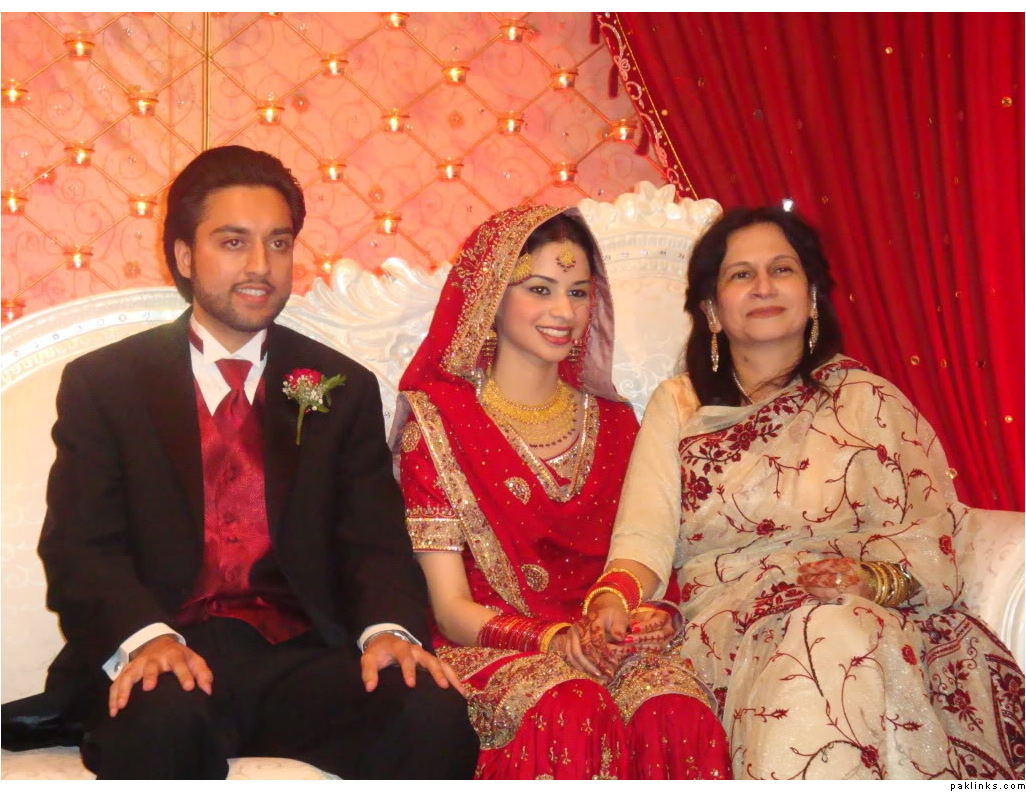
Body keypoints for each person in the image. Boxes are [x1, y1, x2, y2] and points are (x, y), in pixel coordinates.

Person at [27, 146, 478, 779]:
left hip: (302, 659)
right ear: (185, 256)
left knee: (429, 713)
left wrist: (387, 631)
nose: (261, 265)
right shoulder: (106, 384)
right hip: (167, 654)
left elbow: (374, 542)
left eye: (279, 243)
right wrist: (146, 639)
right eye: (233, 242)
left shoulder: (341, 385)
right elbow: (80, 547)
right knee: (159, 724)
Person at [587, 206, 1025, 779]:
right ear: (712, 309)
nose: (763, 286)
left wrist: (870, 580)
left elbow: (932, 534)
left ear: (813, 295)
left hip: (864, 612)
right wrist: (614, 597)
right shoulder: (680, 404)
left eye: (782, 269)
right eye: (741, 274)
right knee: (821, 634)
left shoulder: (868, 400)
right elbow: (645, 532)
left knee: (834, 627)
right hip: (727, 629)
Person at [390, 205, 730, 779]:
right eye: (540, 289)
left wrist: (653, 617)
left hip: (612, 644)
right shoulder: (439, 422)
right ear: (490, 299)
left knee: (674, 709)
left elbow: (652, 552)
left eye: (578, 293)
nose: (564, 313)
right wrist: (551, 638)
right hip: (497, 648)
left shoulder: (617, 423)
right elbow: (449, 610)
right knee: (573, 703)